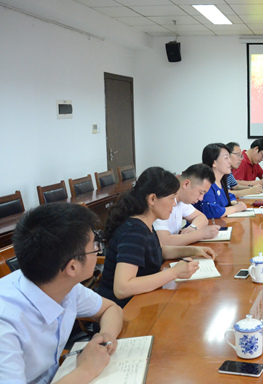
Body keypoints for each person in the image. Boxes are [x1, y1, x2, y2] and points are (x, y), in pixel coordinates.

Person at [0, 203, 123, 384]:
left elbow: (111, 309)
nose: (98, 250)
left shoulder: (62, 285)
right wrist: (85, 370)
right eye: (94, 246)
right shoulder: (6, 323)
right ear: (72, 267)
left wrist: (105, 336)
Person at [97, 167, 216, 308]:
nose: (174, 204)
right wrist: (174, 272)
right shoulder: (134, 231)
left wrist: (193, 251)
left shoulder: (146, 223)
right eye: (171, 198)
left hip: (142, 301)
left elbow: (159, 251)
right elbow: (122, 289)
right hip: (123, 309)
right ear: (152, 199)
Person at [153, 163, 221, 246]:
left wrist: (193, 228)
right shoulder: (162, 198)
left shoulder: (182, 200)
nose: (201, 198)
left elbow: (202, 217)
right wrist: (201, 234)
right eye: (201, 193)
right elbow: (164, 242)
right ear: (186, 184)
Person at [195, 143, 248, 218]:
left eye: (229, 157)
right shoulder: (206, 184)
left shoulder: (221, 181)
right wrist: (235, 208)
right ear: (214, 163)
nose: (230, 161)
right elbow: (211, 211)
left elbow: (229, 195)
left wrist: (233, 202)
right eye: (226, 158)